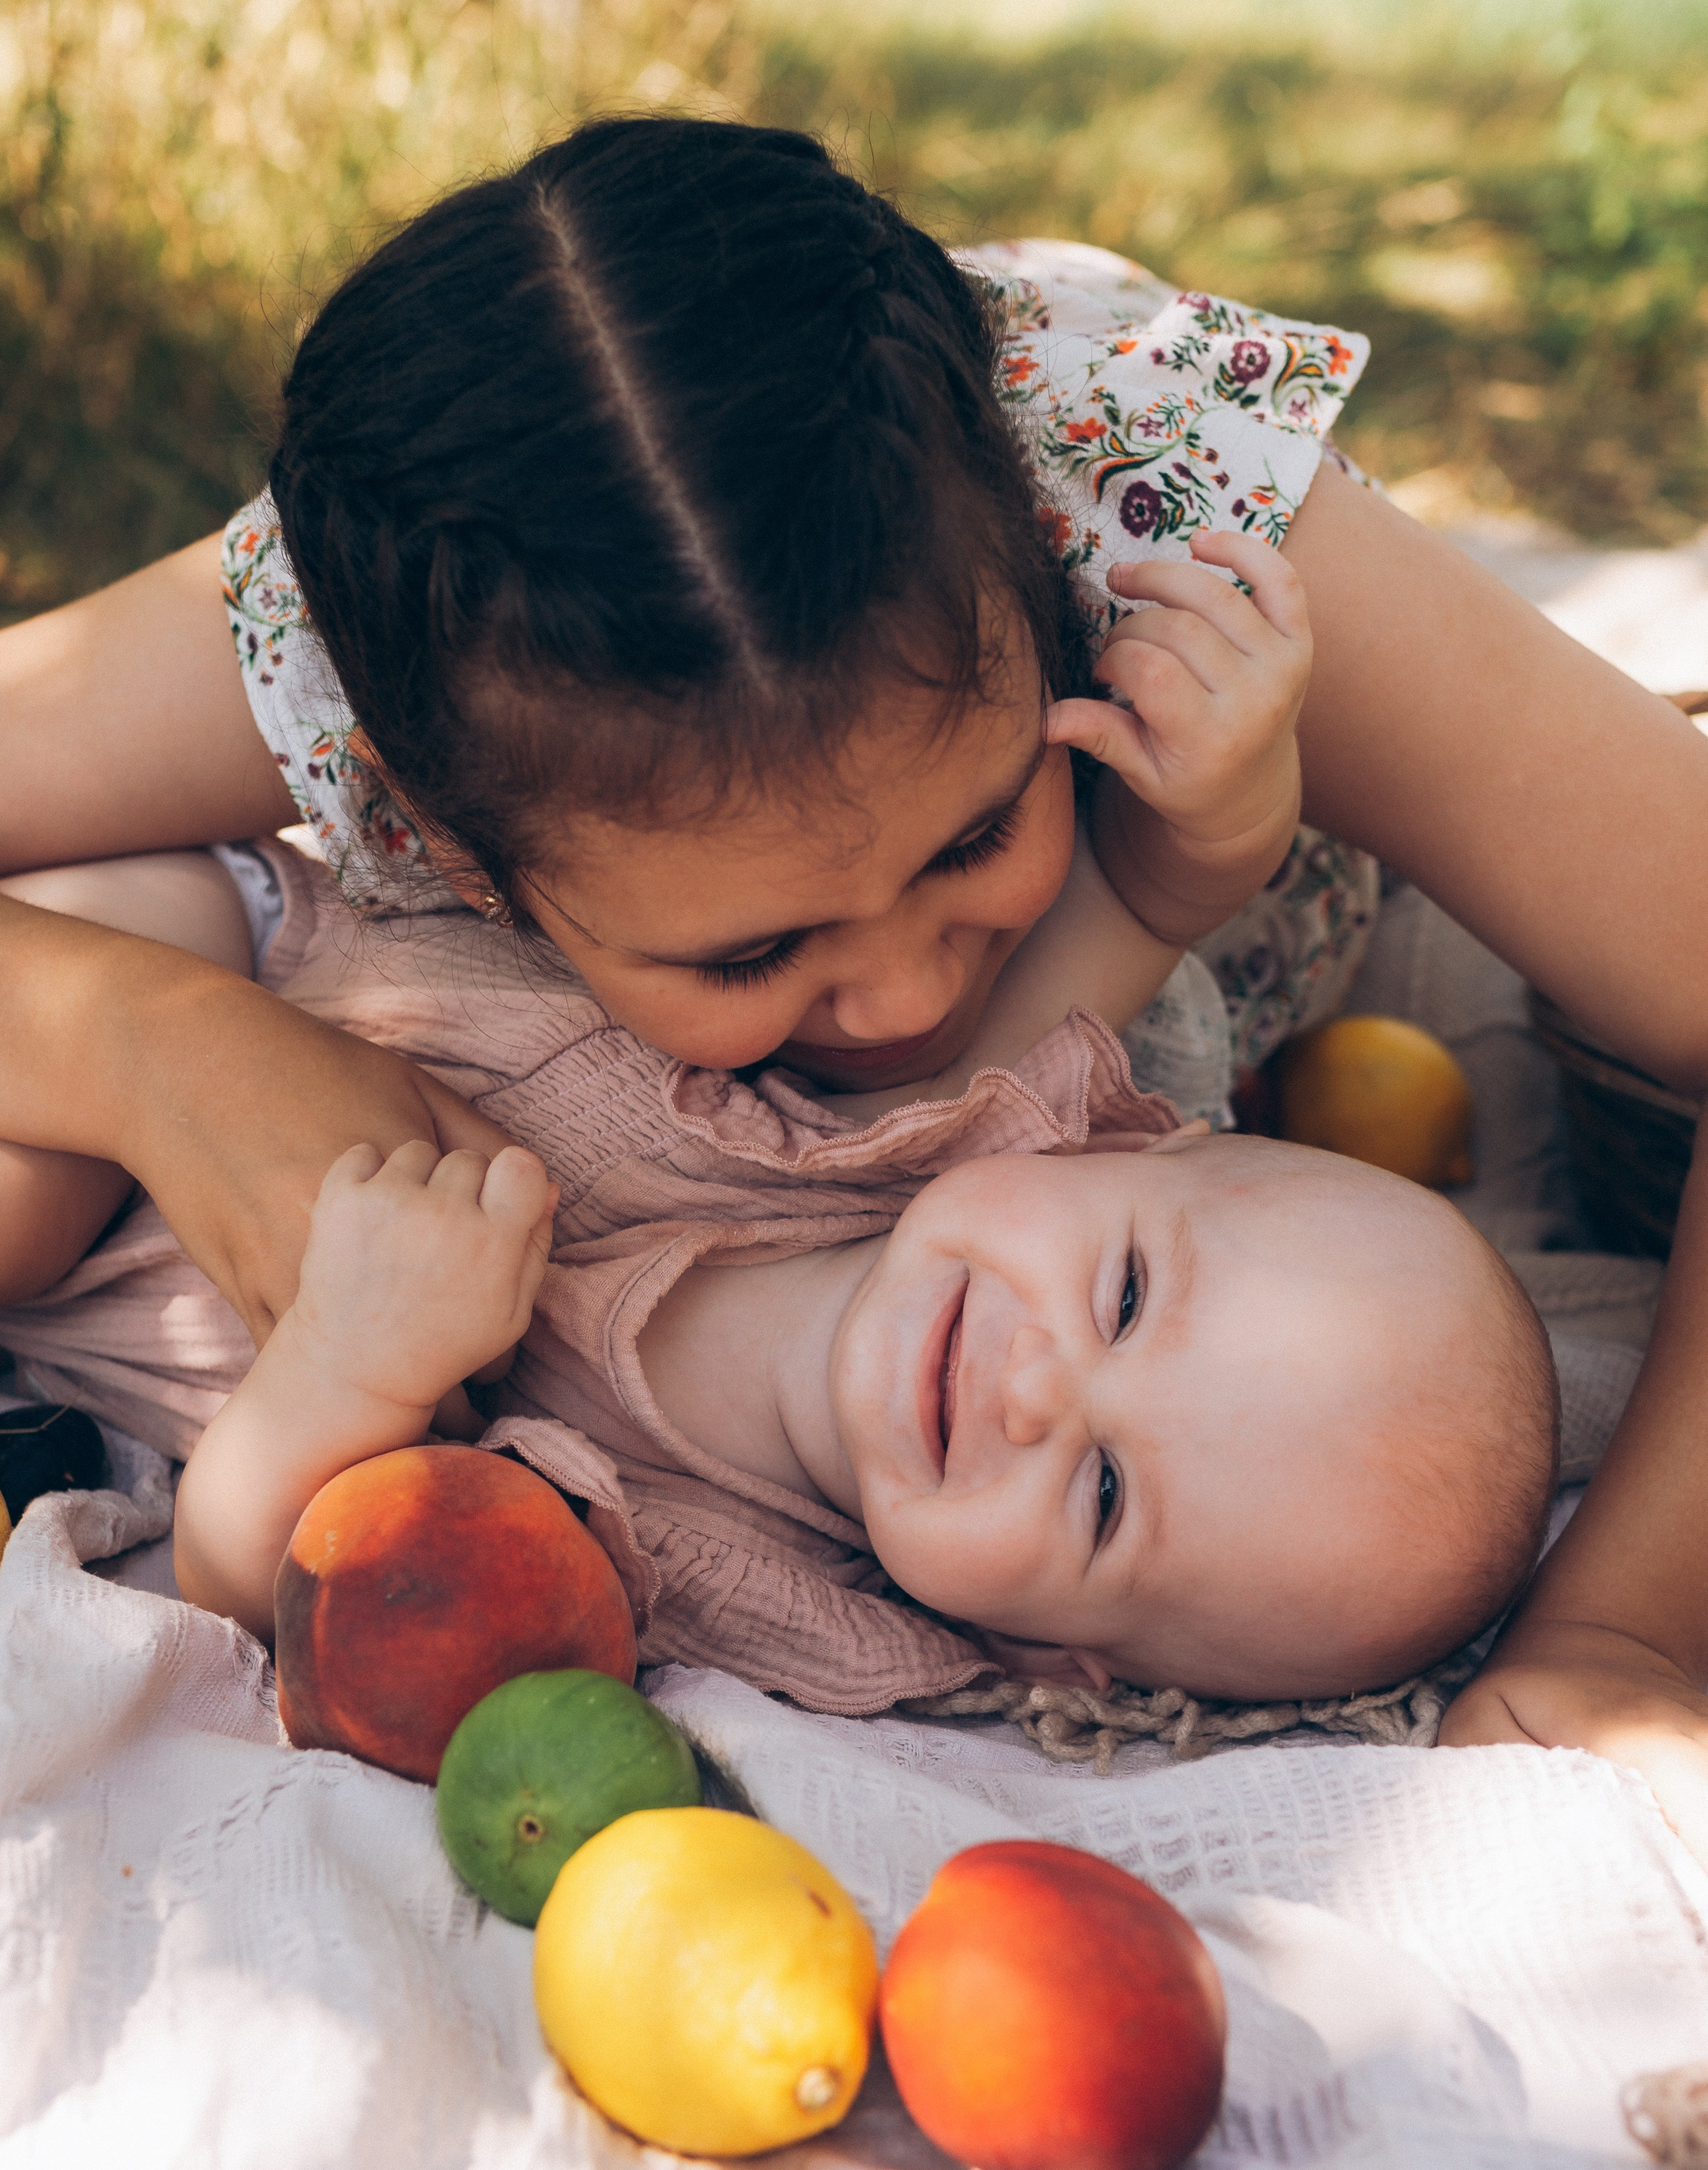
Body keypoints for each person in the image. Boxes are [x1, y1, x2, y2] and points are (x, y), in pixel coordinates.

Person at [0, 121, 1705, 1835]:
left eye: (972, 835)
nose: (902, 1010)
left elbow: (312, 1591)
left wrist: (1621, 1628)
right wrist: (153, 1046)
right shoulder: (391, 646)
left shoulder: (1161, 520)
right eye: (748, 947)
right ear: (438, 838)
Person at [0, 835, 1559, 1710]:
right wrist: (1215, 821)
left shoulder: (741, 1605)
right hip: (228, 959)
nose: (1031, 1384)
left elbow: (246, 1589)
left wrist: (350, 1369)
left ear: (1049, 1658)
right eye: (1127, 1297)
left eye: (1100, 1495)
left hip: (105, 1315)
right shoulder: (924, 1123)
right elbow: (1141, 898)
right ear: (1113, 1151)